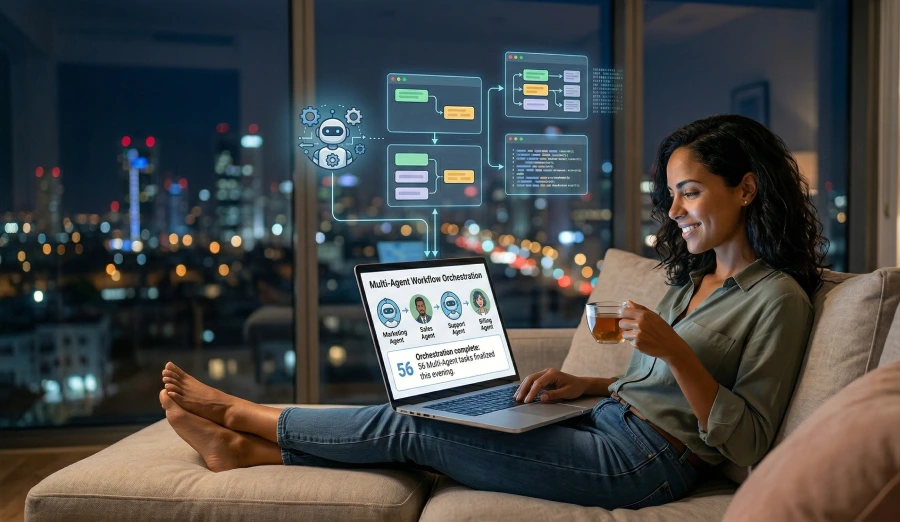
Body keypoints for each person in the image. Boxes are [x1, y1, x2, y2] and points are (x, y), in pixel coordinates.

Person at [158, 114, 826, 509]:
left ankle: (243, 416)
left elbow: (750, 440)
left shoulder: (779, 300)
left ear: (745, 189)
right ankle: (247, 453)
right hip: (605, 420)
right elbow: (649, 386)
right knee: (455, 409)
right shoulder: (691, 280)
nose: (673, 210)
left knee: (420, 426)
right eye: (671, 195)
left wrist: (673, 350)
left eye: (690, 192)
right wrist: (587, 383)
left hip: (644, 465)